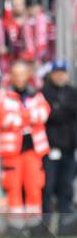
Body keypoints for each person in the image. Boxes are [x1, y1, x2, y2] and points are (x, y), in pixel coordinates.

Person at [0, 61, 50, 228]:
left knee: (34, 186)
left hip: (33, 149)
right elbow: (3, 119)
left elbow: (44, 113)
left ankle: (35, 225)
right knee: (13, 188)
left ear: (28, 75)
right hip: (12, 151)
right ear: (10, 76)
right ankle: (16, 226)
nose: (19, 78)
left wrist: (20, 116)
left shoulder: (36, 95)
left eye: (22, 73)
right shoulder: (3, 95)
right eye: (15, 74)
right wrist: (28, 116)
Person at [41, 60, 77, 225]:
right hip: (50, 147)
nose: (60, 76)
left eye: (63, 73)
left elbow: (61, 112)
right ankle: (46, 220)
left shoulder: (73, 92)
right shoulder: (44, 93)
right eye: (57, 73)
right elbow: (49, 115)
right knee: (48, 186)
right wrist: (64, 109)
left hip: (69, 147)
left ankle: (65, 220)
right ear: (51, 74)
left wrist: (58, 108)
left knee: (66, 185)